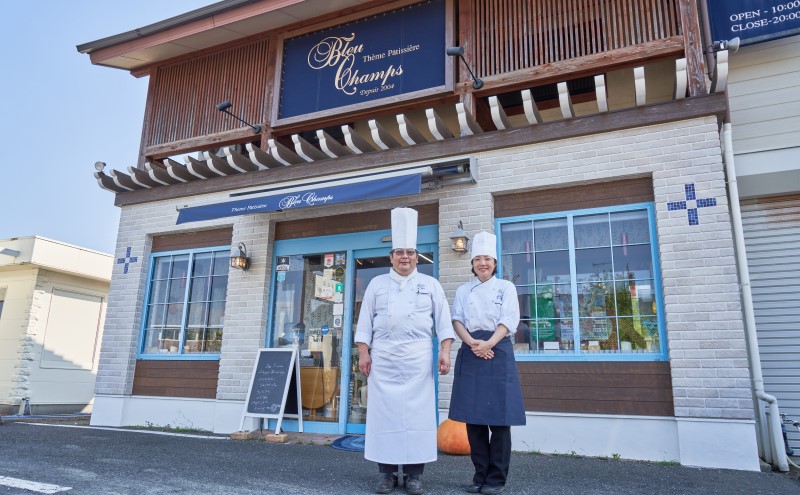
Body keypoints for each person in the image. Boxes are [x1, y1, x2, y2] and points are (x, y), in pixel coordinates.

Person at [355, 207, 455, 495]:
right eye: (399, 252)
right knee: (384, 417)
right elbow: (364, 324)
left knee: (418, 418)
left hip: (418, 360)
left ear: (416, 256)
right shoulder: (376, 284)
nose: (405, 257)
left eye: (410, 252)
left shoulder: (430, 285)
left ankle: (414, 475)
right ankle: (386, 474)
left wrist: (444, 351)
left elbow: (444, 323)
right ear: (391, 257)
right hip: (384, 359)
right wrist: (364, 352)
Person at [448, 231, 526, 495]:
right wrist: (472, 343)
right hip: (471, 350)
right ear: (472, 263)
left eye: (488, 259)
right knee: (474, 420)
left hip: (498, 350)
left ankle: (496, 479)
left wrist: (489, 344)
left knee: (500, 420)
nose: (483, 263)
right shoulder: (462, 290)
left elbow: (509, 320)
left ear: (495, 263)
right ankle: (479, 475)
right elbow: (456, 319)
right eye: (478, 259)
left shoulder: (506, 287)